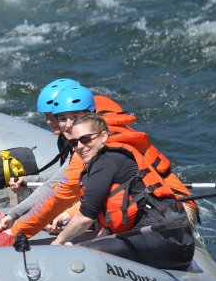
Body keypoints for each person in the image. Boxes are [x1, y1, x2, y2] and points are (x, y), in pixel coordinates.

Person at [0, 84, 197, 246]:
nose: (65, 124)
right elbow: (68, 187)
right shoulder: (93, 136)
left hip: (168, 212)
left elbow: (63, 194)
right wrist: (16, 215)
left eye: (73, 117)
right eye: (60, 118)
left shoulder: (97, 146)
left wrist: (17, 233)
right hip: (158, 207)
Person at [51, 113, 194, 270]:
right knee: (85, 248)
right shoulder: (104, 161)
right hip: (164, 240)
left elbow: (85, 217)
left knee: (84, 254)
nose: (79, 146)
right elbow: (111, 222)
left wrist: (58, 243)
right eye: (74, 142)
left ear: (104, 136)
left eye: (85, 139)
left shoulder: (107, 161)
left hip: (169, 241)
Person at [0, 78, 80, 230]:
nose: (49, 121)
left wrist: (14, 214)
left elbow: (54, 185)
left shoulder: (86, 148)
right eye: (49, 116)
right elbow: (60, 177)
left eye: (54, 116)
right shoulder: (72, 143)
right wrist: (29, 179)